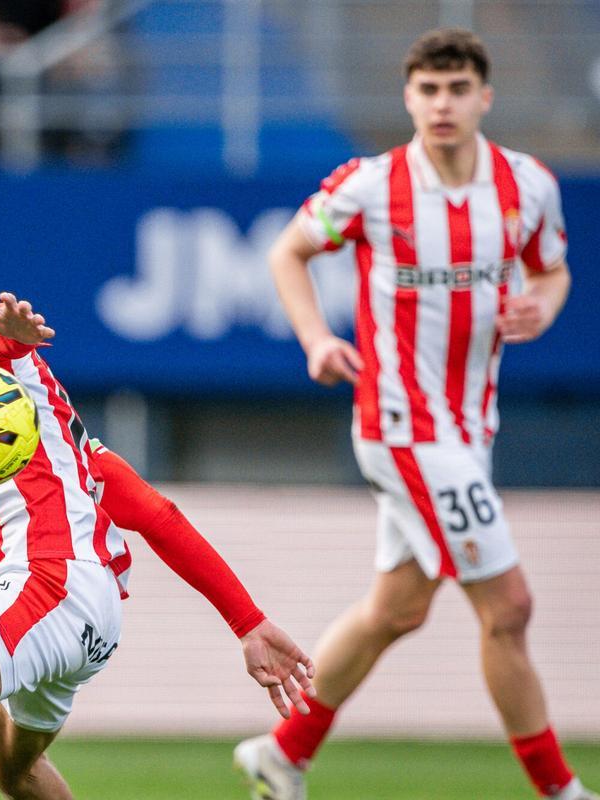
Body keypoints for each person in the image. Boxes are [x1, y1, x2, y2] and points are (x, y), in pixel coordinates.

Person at [233, 28, 594, 800]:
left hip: (469, 428)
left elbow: (554, 269)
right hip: (402, 426)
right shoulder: (373, 185)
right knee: (511, 606)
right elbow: (287, 251)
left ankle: (284, 752)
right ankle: (560, 791)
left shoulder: (527, 184)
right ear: (408, 98)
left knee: (396, 610)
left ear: (484, 97)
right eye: (428, 90)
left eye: (457, 89)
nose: (442, 104)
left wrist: (545, 306)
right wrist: (314, 338)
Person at [0, 234, 316, 799]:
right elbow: (154, 513)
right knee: (2, 759)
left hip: (51, 583)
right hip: (86, 610)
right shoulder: (40, 418)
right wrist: (248, 623)